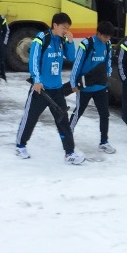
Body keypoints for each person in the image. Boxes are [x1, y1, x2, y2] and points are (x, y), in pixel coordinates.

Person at [15, 12, 84, 164]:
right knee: (30, 118)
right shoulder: (41, 39)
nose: (66, 30)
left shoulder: (61, 40)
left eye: (67, 28)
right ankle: (20, 145)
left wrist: (70, 42)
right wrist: (37, 80)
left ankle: (69, 153)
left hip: (56, 89)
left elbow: (71, 58)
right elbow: (33, 60)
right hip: (41, 89)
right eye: (64, 27)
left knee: (63, 121)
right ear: (55, 25)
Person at [69, 21, 116, 155]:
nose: (107, 39)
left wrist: (108, 73)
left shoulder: (107, 44)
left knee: (104, 114)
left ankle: (104, 142)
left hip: (101, 86)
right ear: (99, 33)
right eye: (105, 37)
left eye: (109, 37)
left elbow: (108, 61)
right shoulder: (86, 44)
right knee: (78, 111)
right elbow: (76, 65)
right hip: (85, 87)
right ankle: (67, 134)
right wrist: (74, 84)